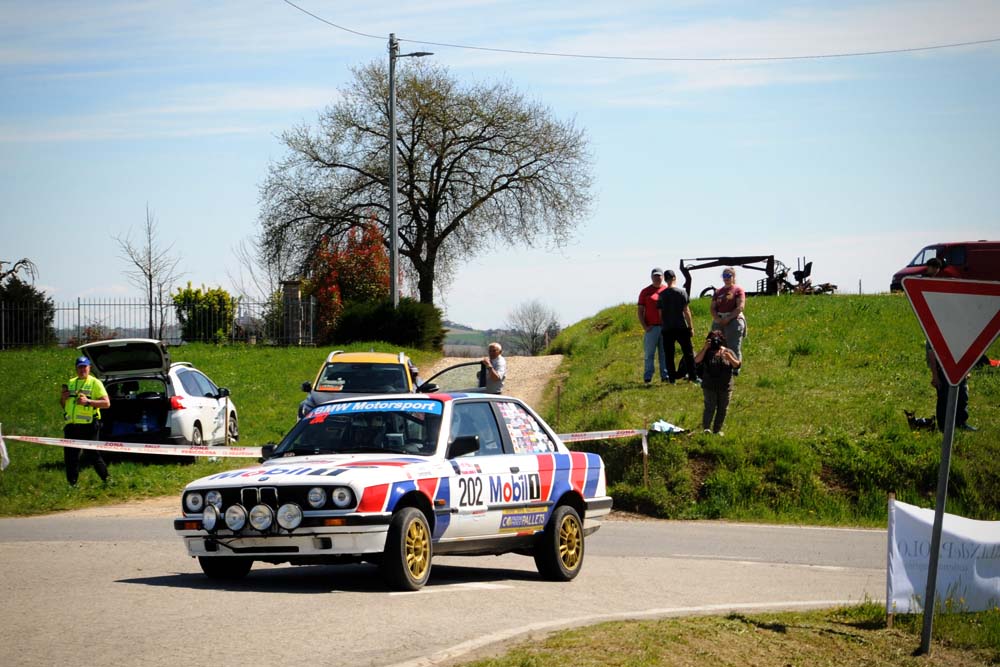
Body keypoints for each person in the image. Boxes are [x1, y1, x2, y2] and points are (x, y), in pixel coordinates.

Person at [924, 258, 976, 431]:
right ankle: (943, 427)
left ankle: (961, 423)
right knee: (944, 396)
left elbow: (965, 347)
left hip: (958, 363)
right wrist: (935, 376)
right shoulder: (936, 327)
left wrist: (966, 369)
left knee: (962, 394)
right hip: (941, 365)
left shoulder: (958, 326)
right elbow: (931, 351)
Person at [59, 356, 111, 486]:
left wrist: (88, 402)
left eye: (84, 367)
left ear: (89, 368)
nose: (82, 370)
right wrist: (63, 398)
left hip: (89, 425)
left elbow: (106, 403)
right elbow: (64, 405)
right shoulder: (71, 382)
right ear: (76, 369)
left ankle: (107, 480)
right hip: (71, 426)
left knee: (92, 455)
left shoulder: (95, 383)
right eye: (80, 367)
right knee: (70, 457)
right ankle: (72, 485)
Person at [695, 330, 741, 435]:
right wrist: (705, 348)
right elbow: (696, 361)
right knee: (710, 407)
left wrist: (729, 358)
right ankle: (706, 428)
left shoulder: (728, 351)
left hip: (725, 386)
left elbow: (737, 365)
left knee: (722, 409)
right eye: (712, 339)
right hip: (709, 385)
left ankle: (717, 430)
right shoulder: (706, 352)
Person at [657, 269, 697, 383]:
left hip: (667, 328)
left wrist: (664, 323)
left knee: (669, 354)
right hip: (681, 327)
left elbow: (660, 313)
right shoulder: (682, 292)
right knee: (688, 352)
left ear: (665, 279)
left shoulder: (661, 295)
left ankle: (672, 379)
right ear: (675, 278)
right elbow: (686, 311)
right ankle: (693, 377)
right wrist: (691, 327)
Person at [710, 266, 746, 373]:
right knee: (718, 345)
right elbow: (712, 307)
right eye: (724, 275)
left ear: (733, 277)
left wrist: (729, 318)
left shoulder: (738, 290)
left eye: (729, 275)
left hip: (734, 319)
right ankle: (722, 366)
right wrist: (717, 318)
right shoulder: (718, 292)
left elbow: (740, 306)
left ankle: (735, 369)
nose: (726, 278)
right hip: (719, 319)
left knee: (733, 345)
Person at [637, 267, 669, 384]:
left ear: (663, 277)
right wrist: (645, 327)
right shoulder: (645, 292)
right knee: (649, 353)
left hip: (665, 328)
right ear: (651, 277)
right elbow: (640, 311)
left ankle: (665, 375)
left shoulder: (667, 290)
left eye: (659, 276)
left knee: (664, 354)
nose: (657, 278)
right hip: (651, 328)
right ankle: (648, 376)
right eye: (655, 276)